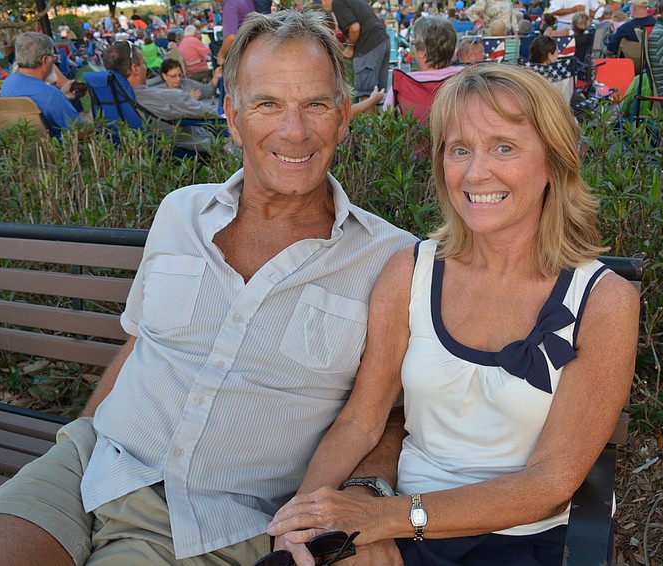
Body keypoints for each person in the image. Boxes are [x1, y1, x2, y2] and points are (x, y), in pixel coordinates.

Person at [0, 9, 417, 565]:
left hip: (209, 522)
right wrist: (84, 430)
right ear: (234, 118)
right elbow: (141, 343)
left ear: (343, 117)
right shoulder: (181, 213)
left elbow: (392, 412)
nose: (294, 130)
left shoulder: (388, 259)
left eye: (315, 104)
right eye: (268, 104)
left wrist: (365, 497)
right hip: (92, 464)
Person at [266, 63, 640, 566]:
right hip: (400, 532)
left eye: (503, 147)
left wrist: (390, 517)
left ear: (553, 162)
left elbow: (550, 482)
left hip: (523, 539)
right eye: (459, 149)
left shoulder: (603, 300)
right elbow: (362, 419)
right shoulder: (410, 272)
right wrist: (304, 516)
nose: (475, 172)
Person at [104, 41, 217, 154]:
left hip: (146, 154)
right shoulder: (171, 97)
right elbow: (213, 116)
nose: (145, 68)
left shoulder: (109, 104)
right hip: (193, 149)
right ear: (135, 69)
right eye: (144, 64)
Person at [0, 32, 87, 138]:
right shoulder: (51, 95)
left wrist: (62, 96)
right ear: (45, 60)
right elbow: (81, 131)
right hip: (57, 147)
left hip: (22, 145)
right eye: (53, 57)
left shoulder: (8, 83)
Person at [382, 16, 464, 109]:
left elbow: (388, 116)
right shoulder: (466, 77)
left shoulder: (403, 84)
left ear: (423, 53)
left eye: (414, 44)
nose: (413, 47)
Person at [321, 0, 391, 99]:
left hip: (367, 46)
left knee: (366, 92)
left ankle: (369, 110)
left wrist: (350, 47)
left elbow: (354, 28)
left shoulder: (337, 3)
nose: (323, 4)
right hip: (383, 41)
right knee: (379, 92)